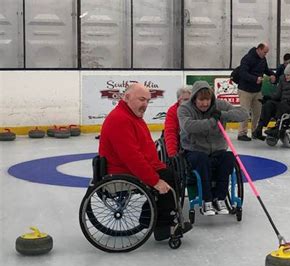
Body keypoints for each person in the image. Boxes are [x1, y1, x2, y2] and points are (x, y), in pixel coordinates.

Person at [99, 83, 192, 241]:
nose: (145, 105)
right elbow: (132, 157)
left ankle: (149, 217)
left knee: (171, 175)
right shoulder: (120, 120)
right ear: (127, 98)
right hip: (122, 172)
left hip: (128, 168)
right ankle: (163, 226)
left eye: (148, 101)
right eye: (141, 99)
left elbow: (143, 150)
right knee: (167, 180)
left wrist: (158, 167)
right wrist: (155, 180)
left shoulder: (132, 116)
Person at [178, 81, 247, 215]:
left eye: (207, 100)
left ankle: (219, 198)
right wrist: (212, 121)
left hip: (217, 150)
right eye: (201, 100)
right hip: (194, 150)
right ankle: (207, 199)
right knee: (202, 159)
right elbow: (189, 126)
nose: (204, 104)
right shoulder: (185, 108)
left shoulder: (218, 105)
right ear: (194, 99)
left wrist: (222, 115)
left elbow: (243, 113)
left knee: (228, 158)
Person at [252, 63, 290, 139]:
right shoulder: (282, 79)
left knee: (283, 105)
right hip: (284, 102)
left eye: (288, 75)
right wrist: (269, 98)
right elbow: (278, 95)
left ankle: (277, 128)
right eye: (285, 74)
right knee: (268, 105)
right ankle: (259, 129)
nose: (286, 77)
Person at [237, 42, 276, 141]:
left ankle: (256, 132)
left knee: (257, 113)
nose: (265, 54)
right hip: (245, 90)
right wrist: (255, 79)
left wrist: (272, 74)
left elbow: (266, 70)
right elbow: (243, 73)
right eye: (264, 52)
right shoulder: (247, 58)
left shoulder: (263, 59)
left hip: (257, 90)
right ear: (259, 49)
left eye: (266, 53)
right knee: (244, 113)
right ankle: (242, 133)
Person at [164, 86, 192, 158]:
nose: (189, 103)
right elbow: (170, 132)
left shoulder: (196, 110)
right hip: (179, 142)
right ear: (179, 101)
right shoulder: (173, 111)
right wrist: (172, 154)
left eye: (191, 100)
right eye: (186, 100)